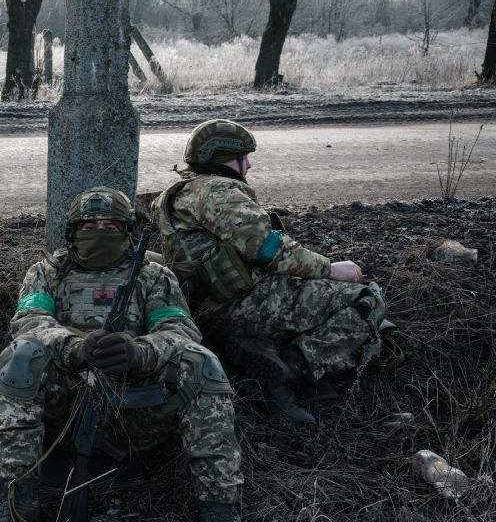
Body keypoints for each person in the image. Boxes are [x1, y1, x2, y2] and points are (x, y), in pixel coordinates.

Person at [0, 187, 250, 522]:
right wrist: (73, 347)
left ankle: (221, 516)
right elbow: (29, 324)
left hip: (136, 408)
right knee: (19, 359)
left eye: (110, 226)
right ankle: (16, 508)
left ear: (127, 232)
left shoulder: (154, 276)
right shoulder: (47, 272)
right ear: (72, 232)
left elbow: (178, 330)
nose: (99, 232)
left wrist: (139, 352)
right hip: (67, 409)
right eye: (89, 226)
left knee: (203, 364)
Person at [155, 119, 392, 425]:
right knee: (367, 299)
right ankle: (288, 372)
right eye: (244, 157)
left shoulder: (178, 193)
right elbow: (268, 249)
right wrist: (329, 268)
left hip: (208, 305)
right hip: (241, 303)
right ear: (224, 159)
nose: (249, 165)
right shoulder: (218, 192)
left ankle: (257, 348)